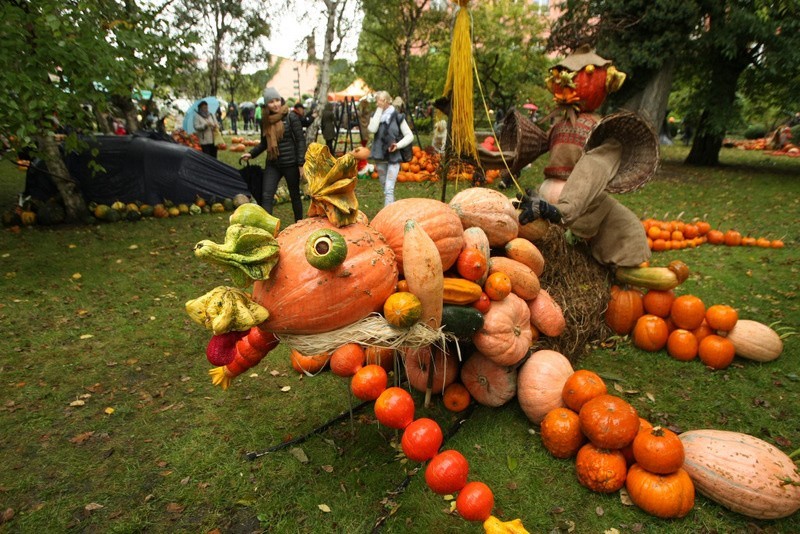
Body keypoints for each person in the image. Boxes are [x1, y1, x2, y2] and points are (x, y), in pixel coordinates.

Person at [516, 46, 654, 268]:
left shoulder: (590, 128)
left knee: (625, 225)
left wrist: (559, 209)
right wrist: (510, 168)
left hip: (567, 196)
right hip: (561, 197)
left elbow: (593, 167)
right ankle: (560, 240)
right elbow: (541, 146)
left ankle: (620, 263)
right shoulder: (568, 125)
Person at [241, 87, 306, 222]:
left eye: (277, 100)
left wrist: (301, 164)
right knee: (266, 195)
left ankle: (299, 224)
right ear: (266, 104)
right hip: (273, 163)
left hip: (291, 164)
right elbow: (264, 143)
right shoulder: (265, 120)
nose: (275, 104)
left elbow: (300, 140)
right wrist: (251, 154)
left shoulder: (291, 117)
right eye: (271, 102)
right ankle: (267, 228)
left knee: (295, 196)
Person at [368, 90, 414, 206]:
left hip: (393, 156)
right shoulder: (375, 116)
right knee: (385, 187)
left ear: (388, 101)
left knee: (389, 188)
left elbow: (410, 136)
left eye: (382, 100)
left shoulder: (398, 117)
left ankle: (386, 214)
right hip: (380, 156)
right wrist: (379, 110)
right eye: (378, 100)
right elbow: (372, 129)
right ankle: (392, 209)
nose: (379, 103)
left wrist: (398, 145)